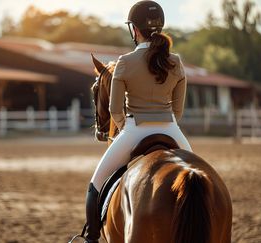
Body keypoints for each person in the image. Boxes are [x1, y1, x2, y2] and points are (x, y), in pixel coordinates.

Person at [84, 1, 192, 242]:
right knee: (195, 176)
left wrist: (126, 128)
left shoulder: (125, 62)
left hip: (134, 130)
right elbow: (178, 110)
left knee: (96, 183)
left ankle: (91, 237)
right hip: (172, 130)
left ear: (135, 29)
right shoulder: (176, 62)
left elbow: (114, 109)